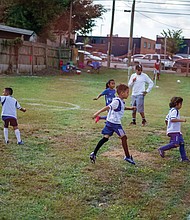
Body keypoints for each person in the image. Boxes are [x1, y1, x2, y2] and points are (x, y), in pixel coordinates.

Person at [90, 84, 136, 165]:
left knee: (105, 138)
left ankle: (93, 153)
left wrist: (130, 108)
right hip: (115, 124)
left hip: (110, 122)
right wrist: (96, 113)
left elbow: (122, 107)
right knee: (124, 137)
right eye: (127, 92)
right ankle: (127, 157)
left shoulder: (119, 101)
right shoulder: (116, 101)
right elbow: (107, 107)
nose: (128, 94)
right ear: (122, 93)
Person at [158, 97, 189, 162]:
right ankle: (161, 149)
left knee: (181, 143)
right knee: (175, 144)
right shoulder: (174, 111)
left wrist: (168, 127)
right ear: (177, 104)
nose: (181, 105)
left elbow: (166, 120)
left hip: (176, 131)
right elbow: (172, 119)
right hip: (174, 131)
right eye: (180, 104)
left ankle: (184, 158)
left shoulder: (171, 111)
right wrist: (182, 120)